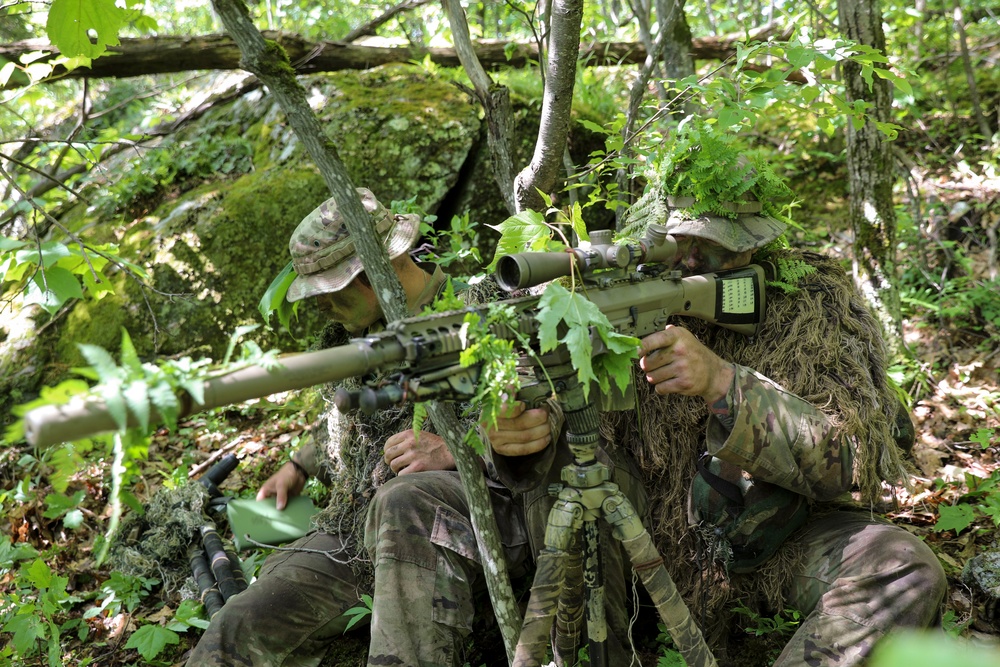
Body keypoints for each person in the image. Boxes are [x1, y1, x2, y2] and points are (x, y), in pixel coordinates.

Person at [486, 157, 948, 665]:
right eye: (676, 244)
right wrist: (522, 433)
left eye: (714, 248)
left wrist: (725, 384)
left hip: (774, 542)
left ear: (757, 242)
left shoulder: (812, 299)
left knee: (903, 566)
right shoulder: (592, 294)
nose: (689, 262)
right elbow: (542, 419)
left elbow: (848, 458)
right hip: (633, 543)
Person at [187, 188, 531, 666]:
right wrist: (299, 465)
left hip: (477, 521)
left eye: (331, 291)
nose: (322, 306)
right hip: (363, 535)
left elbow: (539, 416)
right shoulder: (362, 338)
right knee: (238, 625)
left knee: (402, 501)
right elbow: (355, 420)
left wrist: (457, 448)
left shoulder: (486, 311)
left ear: (372, 273)